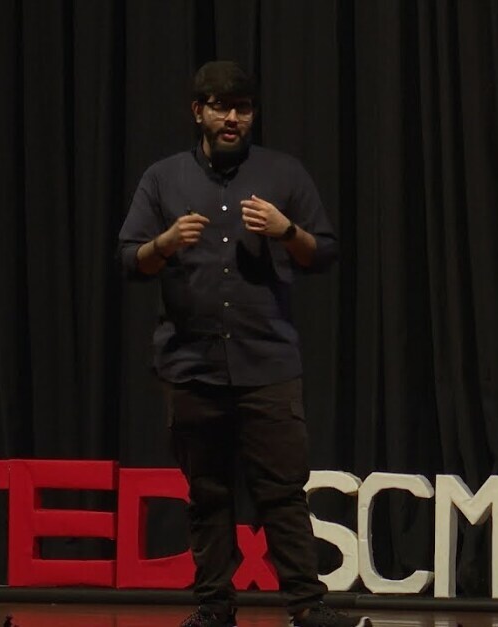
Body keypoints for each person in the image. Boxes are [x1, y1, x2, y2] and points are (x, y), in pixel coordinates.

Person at [118, 61, 371, 627]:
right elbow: (130, 261)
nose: (232, 118)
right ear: (198, 112)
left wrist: (287, 231)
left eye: (243, 108)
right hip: (191, 365)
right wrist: (165, 242)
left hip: (268, 365)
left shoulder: (283, 173)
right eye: (221, 107)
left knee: (282, 492)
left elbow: (324, 253)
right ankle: (214, 608)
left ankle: (307, 607)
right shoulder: (163, 178)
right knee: (208, 494)